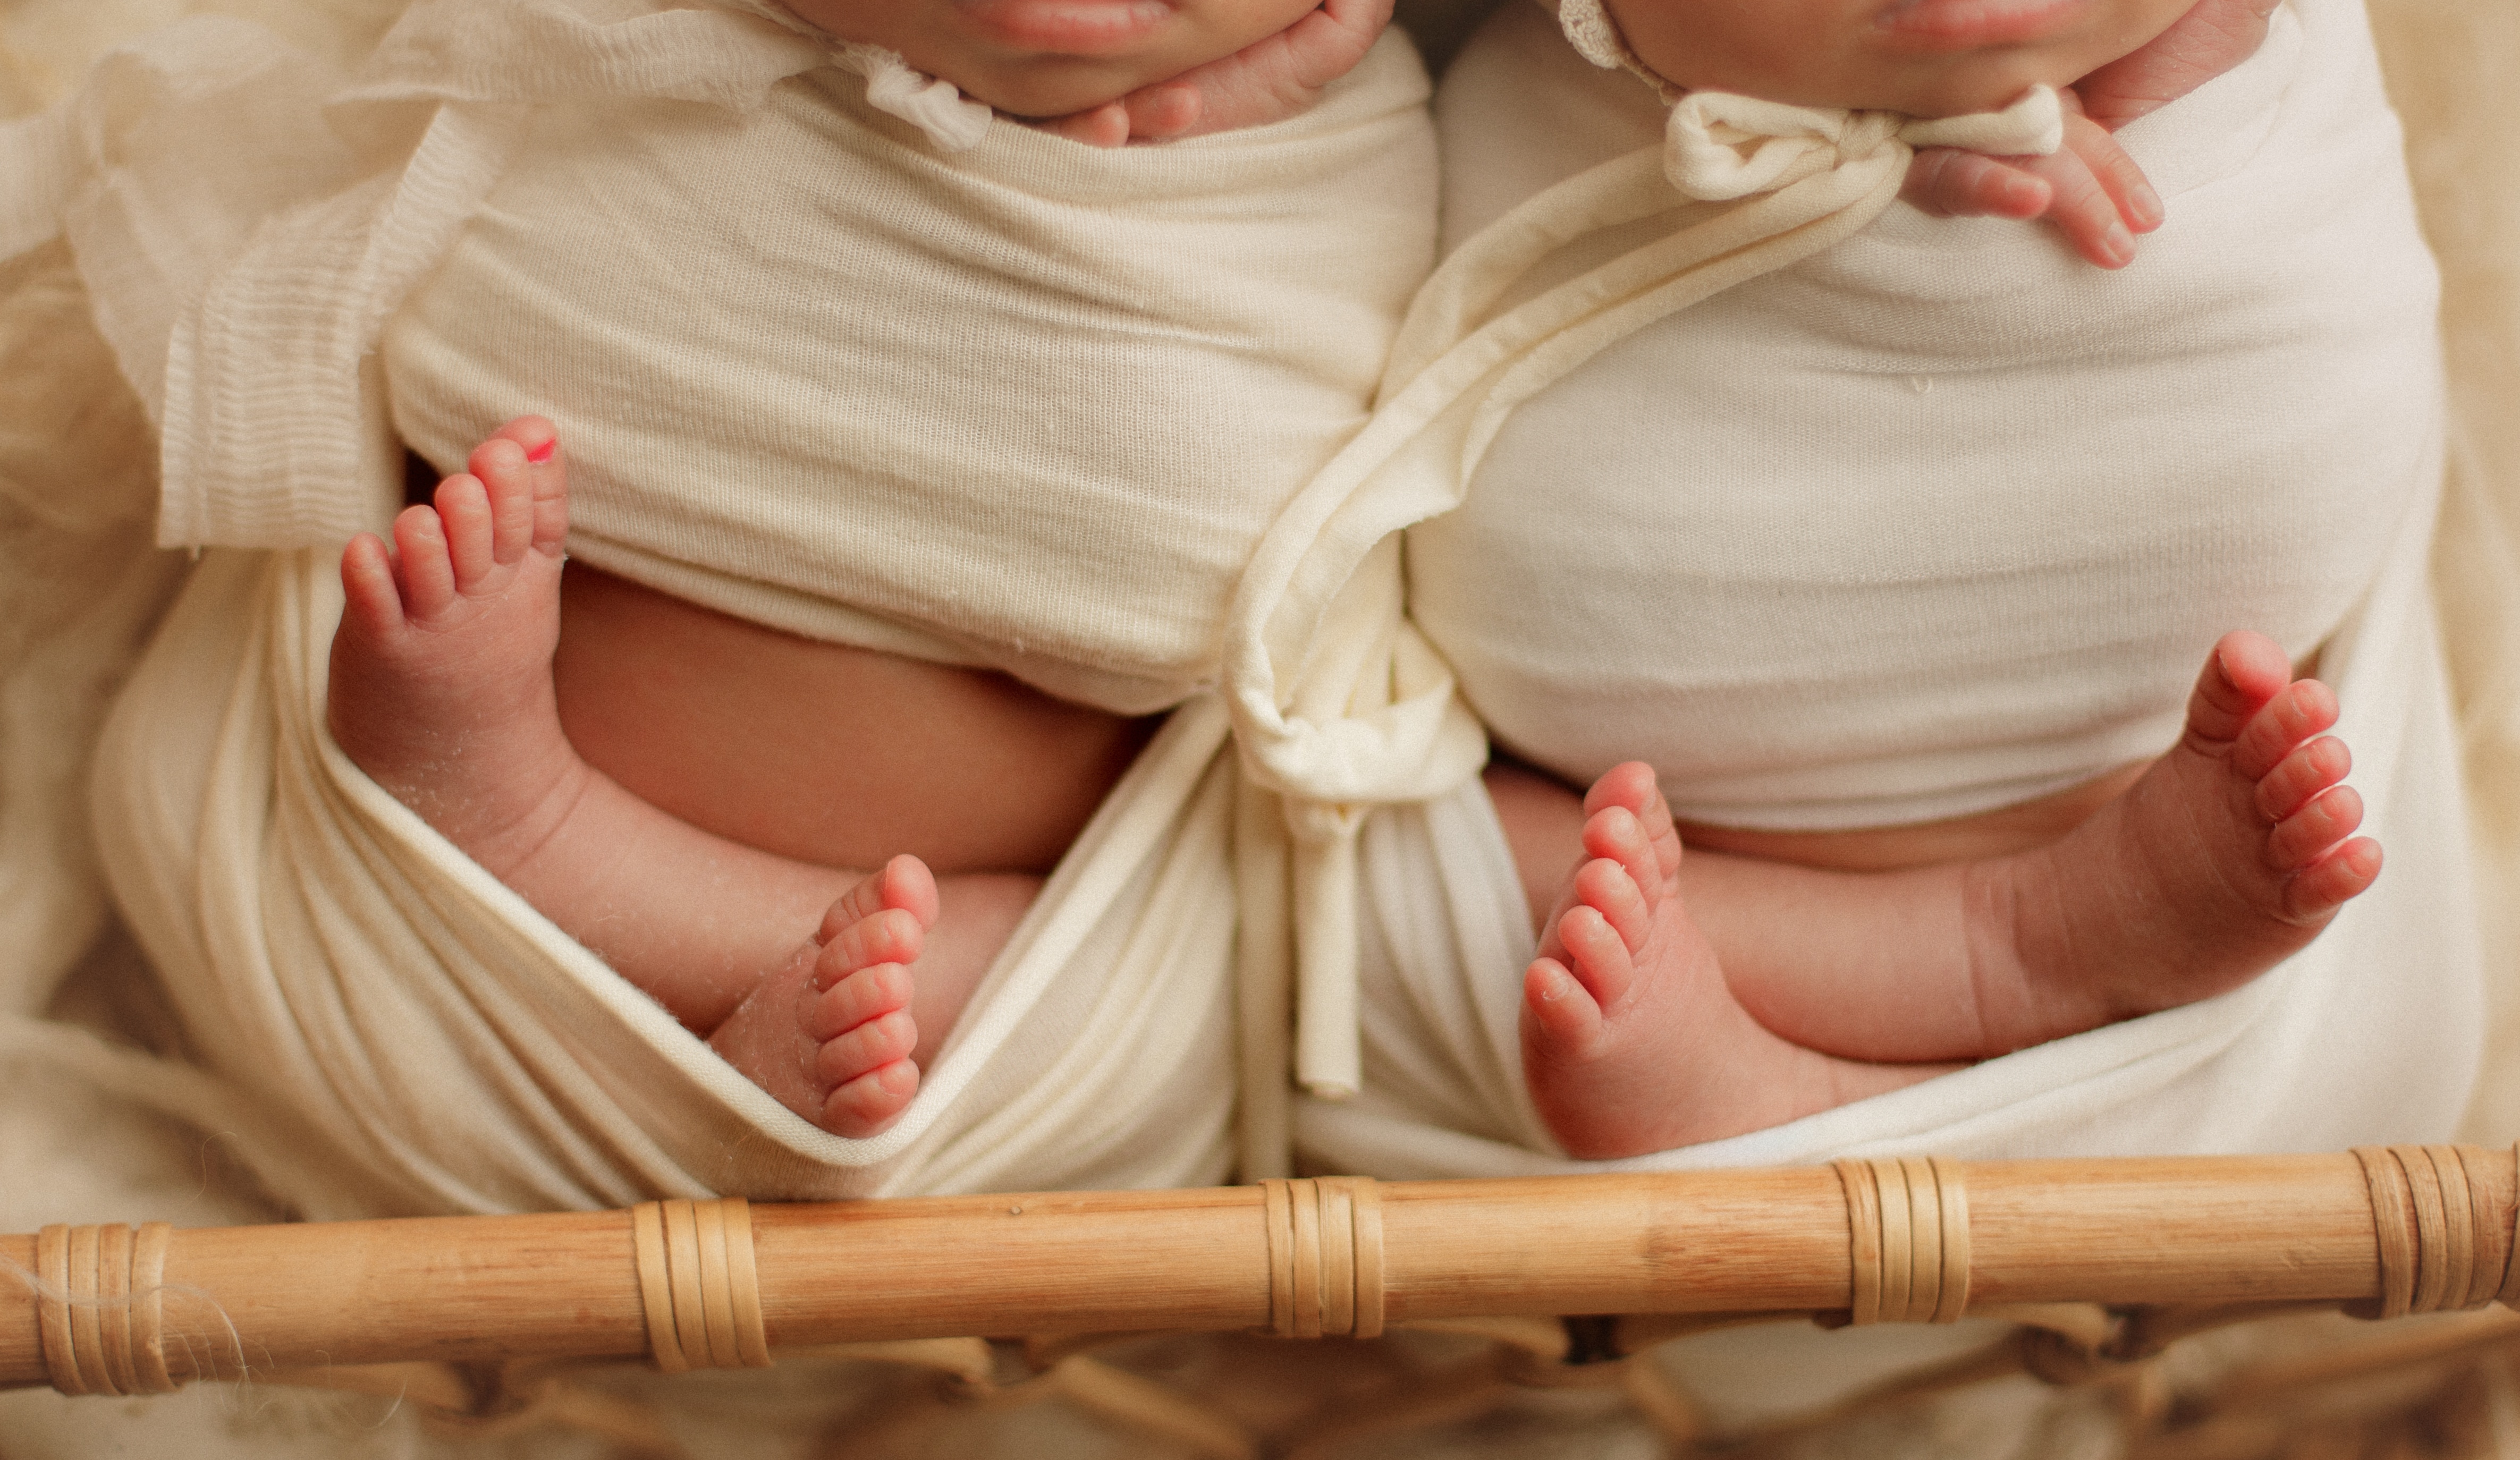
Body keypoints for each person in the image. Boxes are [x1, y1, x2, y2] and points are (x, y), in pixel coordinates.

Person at [328, 0, 2180, 1144]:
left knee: (1401, 872)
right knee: (1342, 894)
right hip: (1030, 894)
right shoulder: (630, 59)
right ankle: (508, 810)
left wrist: (2006, 99)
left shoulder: (1418, 108)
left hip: (1089, 907)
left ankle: (1973, 958)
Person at [1397, 0, 2425, 1157]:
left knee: (1401, 868)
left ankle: (1865, 1036)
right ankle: (2004, 959)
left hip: (2127, 758)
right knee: (1359, 828)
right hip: (1652, 846)